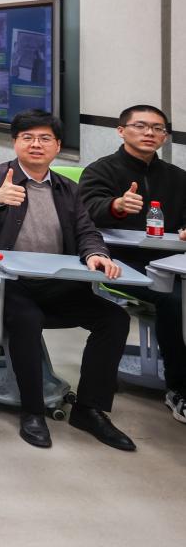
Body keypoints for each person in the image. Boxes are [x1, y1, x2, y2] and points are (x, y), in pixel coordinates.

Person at [0, 109, 133, 451]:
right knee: (27, 318)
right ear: (15, 143)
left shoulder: (68, 189)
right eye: (27, 137)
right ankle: (33, 411)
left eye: (45, 138)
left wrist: (96, 253)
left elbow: (87, 231)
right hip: (5, 287)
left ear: (57, 146)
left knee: (115, 318)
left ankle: (89, 409)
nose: (36, 144)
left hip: (56, 287)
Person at [78, 104, 186, 423]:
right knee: (174, 300)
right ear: (121, 130)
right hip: (120, 262)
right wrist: (117, 205)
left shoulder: (178, 177)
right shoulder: (101, 170)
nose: (149, 133)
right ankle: (179, 387)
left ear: (165, 136)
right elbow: (85, 212)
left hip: (173, 262)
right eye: (140, 126)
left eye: (158, 128)